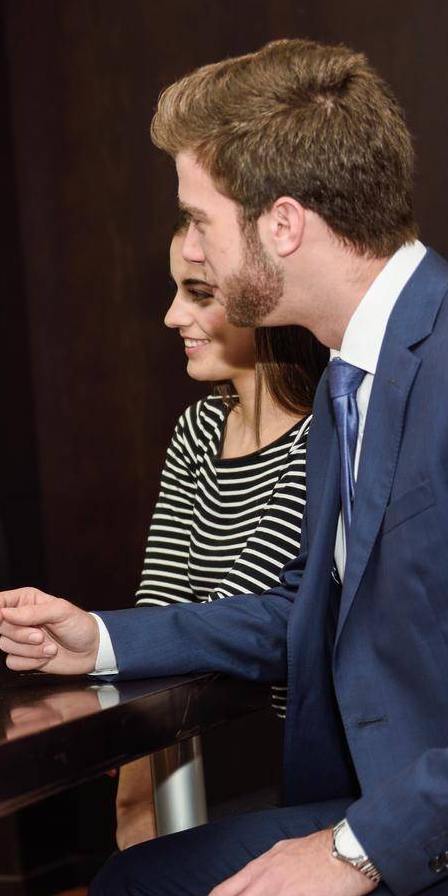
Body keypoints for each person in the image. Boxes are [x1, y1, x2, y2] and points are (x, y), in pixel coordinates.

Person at [0, 39, 448, 896]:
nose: (192, 252)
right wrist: (105, 636)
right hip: (418, 800)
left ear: (282, 223)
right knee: (126, 889)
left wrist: (352, 852)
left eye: (199, 222)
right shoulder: (352, 373)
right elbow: (311, 610)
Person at [115, 220, 325, 849]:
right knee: (128, 859)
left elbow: (249, 616)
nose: (171, 315)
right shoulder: (201, 426)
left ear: (267, 301)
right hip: (201, 741)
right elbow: (160, 603)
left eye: (198, 293)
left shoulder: (325, 435)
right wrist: (134, 773)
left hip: (299, 763)